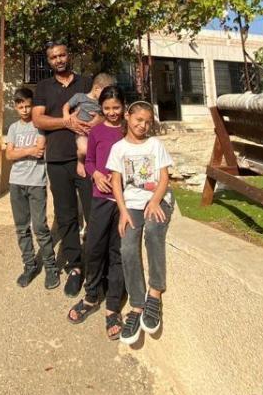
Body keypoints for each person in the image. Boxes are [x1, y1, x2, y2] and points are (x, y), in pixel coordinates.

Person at [107, 100, 174, 346]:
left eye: (148, 122)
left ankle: (154, 292)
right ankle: (137, 305)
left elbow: (165, 177)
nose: (143, 125)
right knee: (127, 247)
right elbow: (116, 182)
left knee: (154, 233)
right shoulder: (118, 148)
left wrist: (156, 201)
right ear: (127, 117)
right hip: (132, 205)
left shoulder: (156, 145)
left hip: (157, 200)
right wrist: (123, 211)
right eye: (139, 120)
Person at [31, 40, 93, 297]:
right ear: (49, 61)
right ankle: (76, 267)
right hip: (57, 160)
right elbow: (38, 118)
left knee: (95, 213)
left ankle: (98, 264)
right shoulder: (44, 87)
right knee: (66, 216)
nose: (59, 59)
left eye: (62, 55)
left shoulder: (87, 83)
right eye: (53, 57)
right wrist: (67, 123)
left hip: (88, 160)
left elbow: (103, 110)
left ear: (69, 56)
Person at [66, 85, 127, 339]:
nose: (112, 112)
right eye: (107, 108)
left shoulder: (129, 130)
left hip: (124, 202)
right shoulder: (97, 131)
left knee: (118, 252)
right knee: (93, 247)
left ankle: (113, 306)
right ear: (101, 108)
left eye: (116, 108)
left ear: (124, 106)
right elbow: (89, 160)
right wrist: (97, 174)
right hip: (101, 198)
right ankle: (91, 296)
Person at [5, 88, 59, 290]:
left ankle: (50, 267)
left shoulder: (39, 126)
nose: (25, 110)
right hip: (16, 182)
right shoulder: (13, 128)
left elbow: (39, 151)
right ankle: (29, 265)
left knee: (40, 227)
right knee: (21, 228)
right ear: (16, 107)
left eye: (28, 105)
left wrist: (20, 152)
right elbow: (9, 155)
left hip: (36, 182)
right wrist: (27, 151)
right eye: (21, 106)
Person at [63, 73, 115, 177]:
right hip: (82, 132)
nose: (107, 96)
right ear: (96, 88)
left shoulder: (102, 103)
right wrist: (66, 115)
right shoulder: (80, 97)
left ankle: (100, 170)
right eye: (105, 92)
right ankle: (81, 162)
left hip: (96, 133)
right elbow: (67, 105)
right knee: (83, 150)